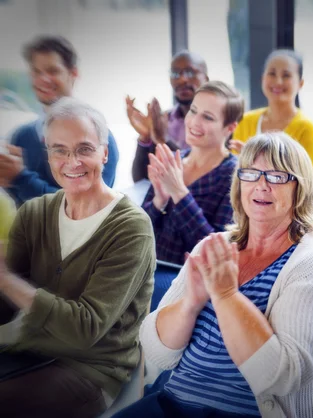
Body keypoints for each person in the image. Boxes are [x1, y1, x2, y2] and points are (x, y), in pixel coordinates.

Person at [115, 132, 313, 418]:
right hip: (172, 403)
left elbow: (283, 377)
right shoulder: (214, 245)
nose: (261, 185)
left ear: (300, 188)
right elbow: (156, 351)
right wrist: (190, 303)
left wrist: (226, 296)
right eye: (251, 174)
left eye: (276, 176)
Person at [0, 97, 155, 418]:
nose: (72, 161)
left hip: (93, 371)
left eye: (84, 148)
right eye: (59, 150)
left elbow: (85, 329)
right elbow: (5, 305)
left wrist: (5, 279)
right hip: (30, 353)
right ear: (48, 154)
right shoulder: (35, 213)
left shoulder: (131, 227)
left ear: (105, 152)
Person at [0, 35, 119, 206]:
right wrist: (9, 177)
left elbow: (89, 205)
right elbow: (24, 204)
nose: (43, 79)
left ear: (73, 74)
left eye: (52, 71)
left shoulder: (98, 137)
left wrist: (20, 178)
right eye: (37, 72)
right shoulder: (22, 136)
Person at [141, 81, 243, 266]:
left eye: (208, 117)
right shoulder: (172, 159)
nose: (194, 122)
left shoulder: (236, 176)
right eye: (193, 111)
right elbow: (137, 230)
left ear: (230, 128)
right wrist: (159, 201)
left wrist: (179, 193)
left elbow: (216, 251)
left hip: (190, 284)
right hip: (149, 271)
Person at [230, 49, 313, 174]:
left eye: (286, 75)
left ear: (300, 83)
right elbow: (235, 175)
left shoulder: (307, 130)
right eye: (272, 74)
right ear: (263, 78)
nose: (278, 81)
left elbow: (307, 182)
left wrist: (253, 159)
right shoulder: (245, 121)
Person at [127, 50, 209, 182]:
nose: (182, 79)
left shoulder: (219, 122)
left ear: (206, 78)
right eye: (175, 73)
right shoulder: (164, 120)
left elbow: (203, 176)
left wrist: (164, 140)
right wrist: (145, 138)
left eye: (190, 72)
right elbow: (141, 180)